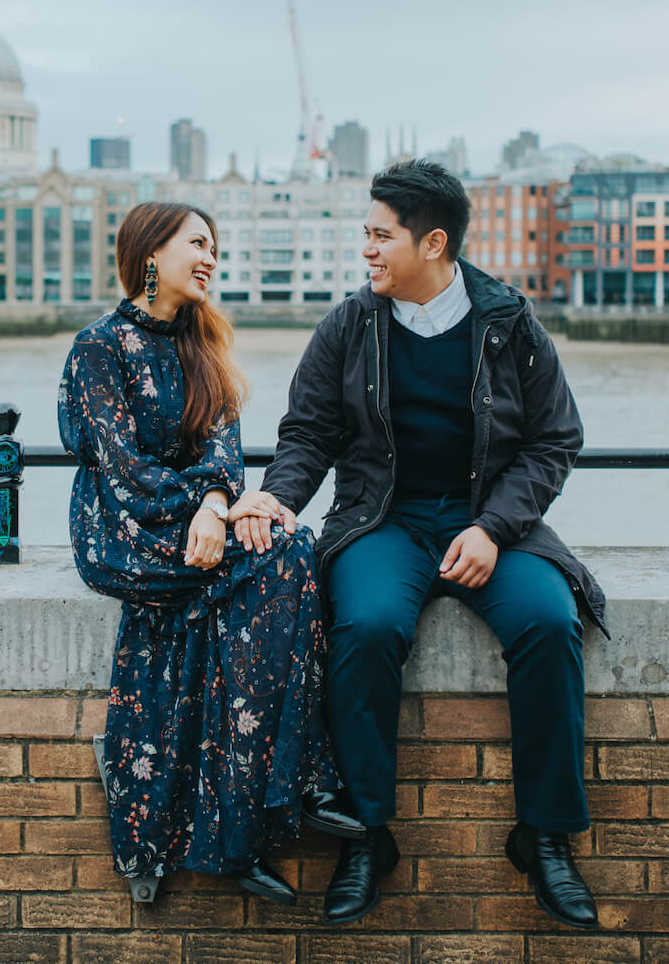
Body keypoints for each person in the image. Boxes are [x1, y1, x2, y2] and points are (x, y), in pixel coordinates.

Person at [230, 160, 608, 928]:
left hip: (492, 522)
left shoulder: (509, 324)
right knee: (365, 628)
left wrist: (493, 528)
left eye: (380, 236)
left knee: (547, 623)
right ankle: (369, 833)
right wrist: (277, 497)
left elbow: (555, 440)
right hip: (382, 519)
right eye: (365, 234)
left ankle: (544, 837)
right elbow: (308, 434)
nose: (365, 250)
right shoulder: (349, 325)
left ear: (433, 243)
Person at [58, 201, 364, 903]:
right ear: (149, 254)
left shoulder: (203, 345)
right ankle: (299, 785)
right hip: (123, 528)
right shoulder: (97, 347)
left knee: (288, 551)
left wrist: (220, 507)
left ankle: (242, 820)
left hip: (200, 521)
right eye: (196, 244)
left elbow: (227, 456)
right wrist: (208, 506)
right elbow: (122, 466)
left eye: (213, 248)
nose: (209, 259)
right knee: (265, 566)